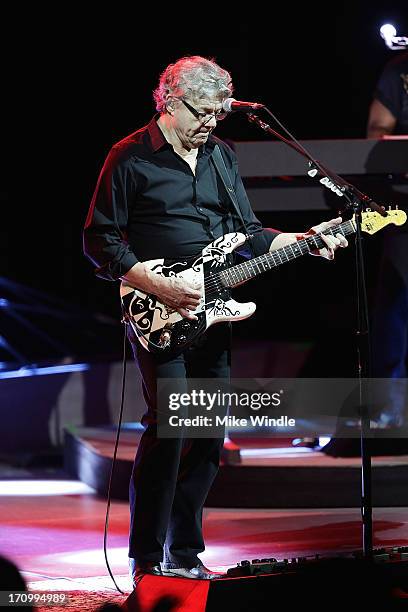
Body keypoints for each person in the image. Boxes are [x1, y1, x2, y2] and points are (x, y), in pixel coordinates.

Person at [83, 55, 348, 586]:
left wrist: (299, 242)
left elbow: (246, 230)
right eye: (202, 112)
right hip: (159, 310)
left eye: (218, 114)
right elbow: (99, 240)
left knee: (207, 433)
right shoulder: (129, 157)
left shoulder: (221, 155)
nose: (209, 122)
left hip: (215, 309)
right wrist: (161, 286)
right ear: (168, 103)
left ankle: (185, 550)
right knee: (170, 429)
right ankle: (146, 555)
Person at [367, 51, 408, 428]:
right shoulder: (400, 70)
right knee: (396, 305)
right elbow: (378, 130)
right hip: (405, 205)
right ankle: (391, 408)